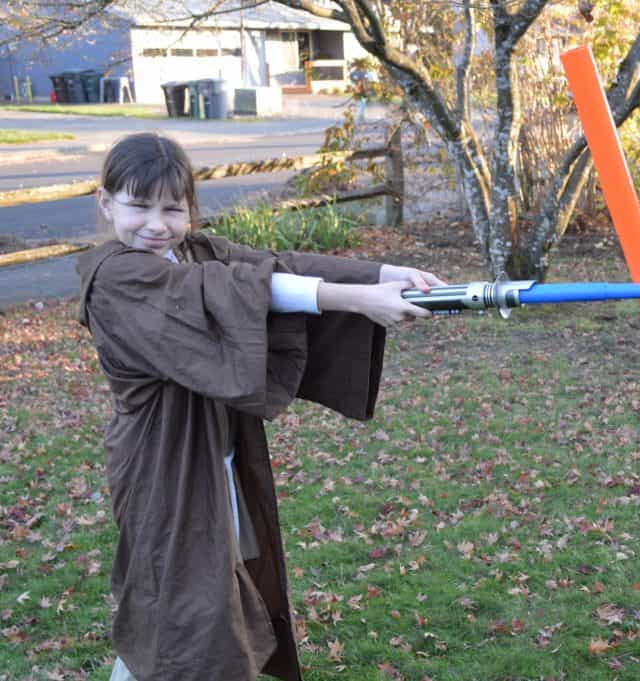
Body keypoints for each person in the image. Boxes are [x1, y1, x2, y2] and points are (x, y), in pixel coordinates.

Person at [77, 132, 444, 681]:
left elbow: (273, 266)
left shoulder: (194, 252)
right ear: (105, 203)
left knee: (196, 602)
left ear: (190, 210)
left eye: (173, 209)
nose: (156, 224)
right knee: (184, 608)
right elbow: (231, 292)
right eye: (138, 205)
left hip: (221, 457)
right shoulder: (115, 277)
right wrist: (359, 300)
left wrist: (386, 276)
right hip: (165, 468)